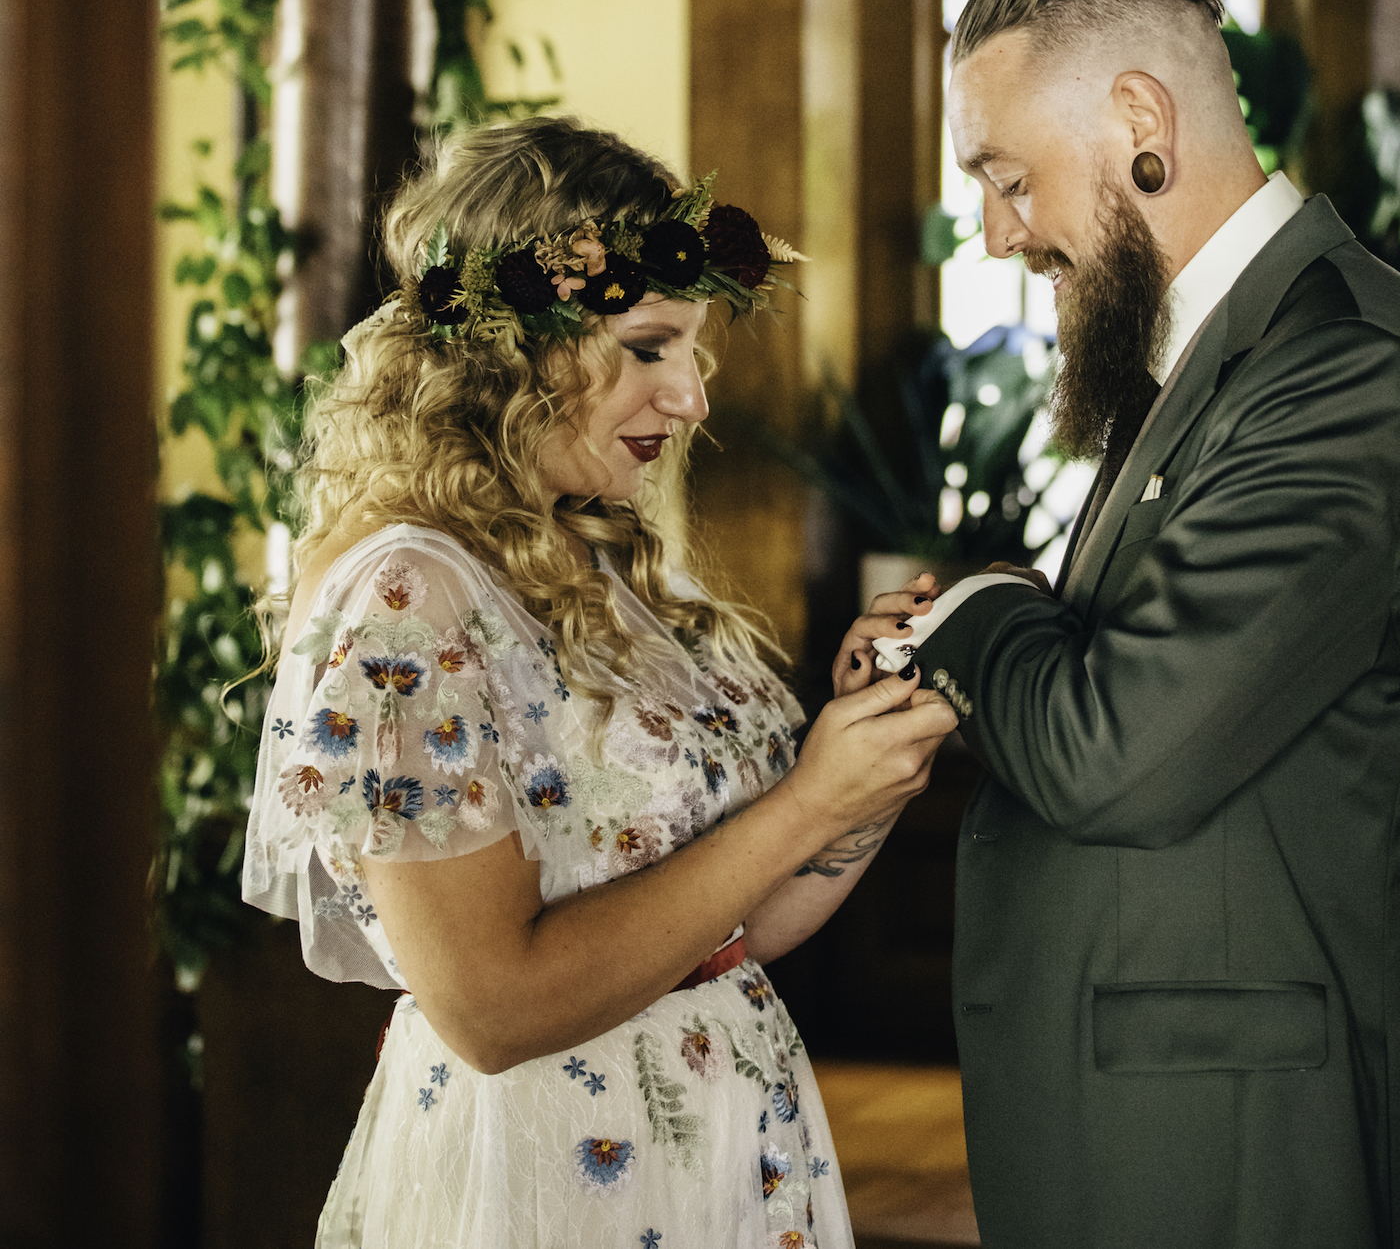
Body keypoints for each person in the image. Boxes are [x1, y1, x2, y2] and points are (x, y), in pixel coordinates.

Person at [839, 0, 1400, 1249]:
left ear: (1139, 118)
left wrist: (973, 613)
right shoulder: (1224, 349)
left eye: (1009, 175)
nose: (996, 229)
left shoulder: (1336, 364)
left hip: (1270, 1140)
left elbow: (1120, 750)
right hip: (1199, 1118)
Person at [244, 117, 957, 1249]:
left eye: (692, 352)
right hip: (547, 1179)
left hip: (719, 1150)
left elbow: (740, 922)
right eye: (649, 348)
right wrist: (808, 801)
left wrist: (865, 770)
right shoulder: (407, 600)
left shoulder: (605, 561)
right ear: (510, 350)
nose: (693, 401)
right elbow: (489, 1008)